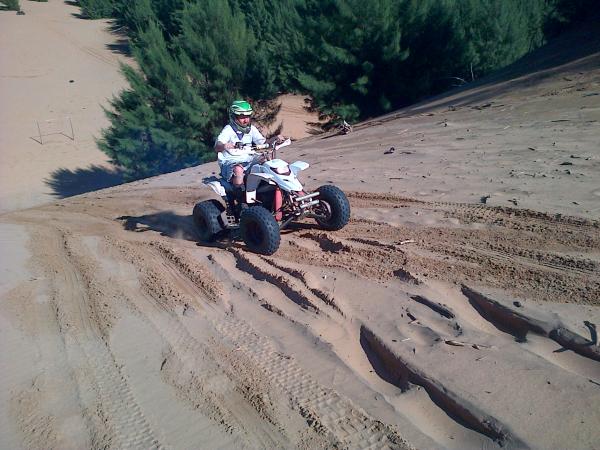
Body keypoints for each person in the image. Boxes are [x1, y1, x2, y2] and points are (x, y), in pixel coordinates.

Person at [214, 100, 282, 194]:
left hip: (249, 157)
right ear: (234, 116)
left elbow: (263, 143)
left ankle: (272, 189)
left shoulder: (251, 129)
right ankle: (239, 196)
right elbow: (217, 146)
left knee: (267, 160)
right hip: (231, 160)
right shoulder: (228, 130)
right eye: (242, 117)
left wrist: (274, 139)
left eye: (247, 116)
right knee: (238, 170)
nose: (246, 120)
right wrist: (224, 145)